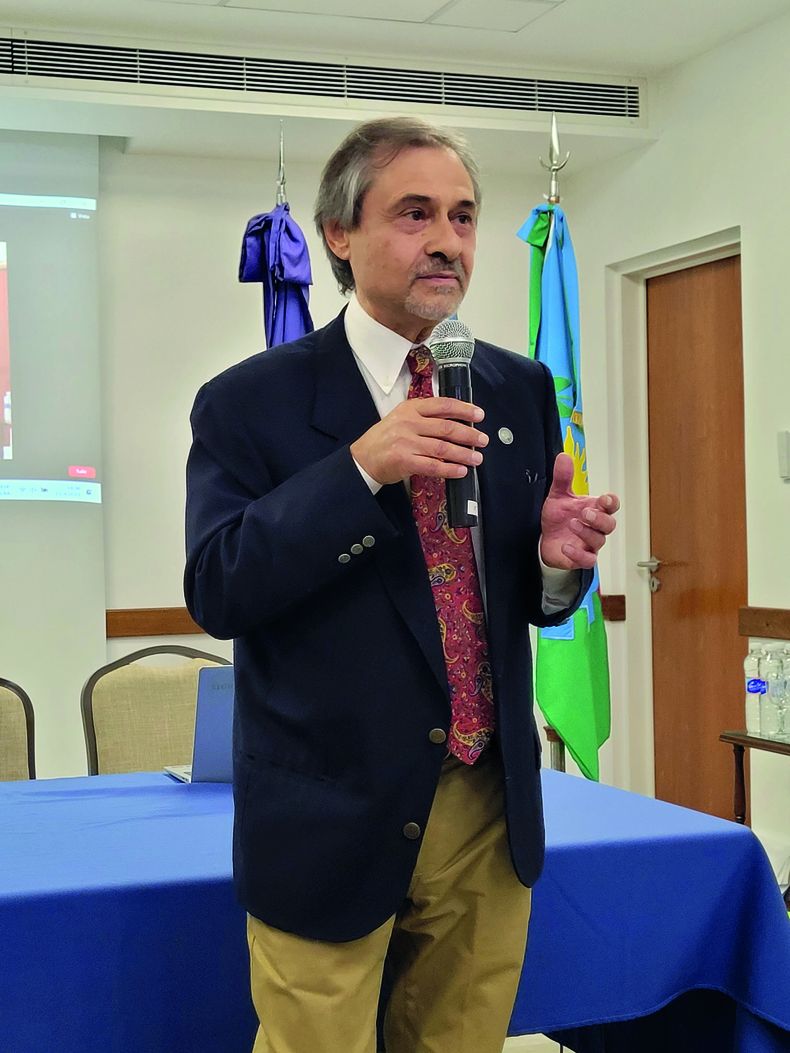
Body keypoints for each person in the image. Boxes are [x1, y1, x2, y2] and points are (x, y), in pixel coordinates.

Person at [184, 116, 618, 1053]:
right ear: (338, 234)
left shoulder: (518, 390)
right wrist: (358, 470)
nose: (448, 241)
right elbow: (218, 587)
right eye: (414, 213)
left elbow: (525, 604)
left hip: (487, 805)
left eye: (463, 217)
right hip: (329, 806)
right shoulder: (249, 401)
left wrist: (554, 561)